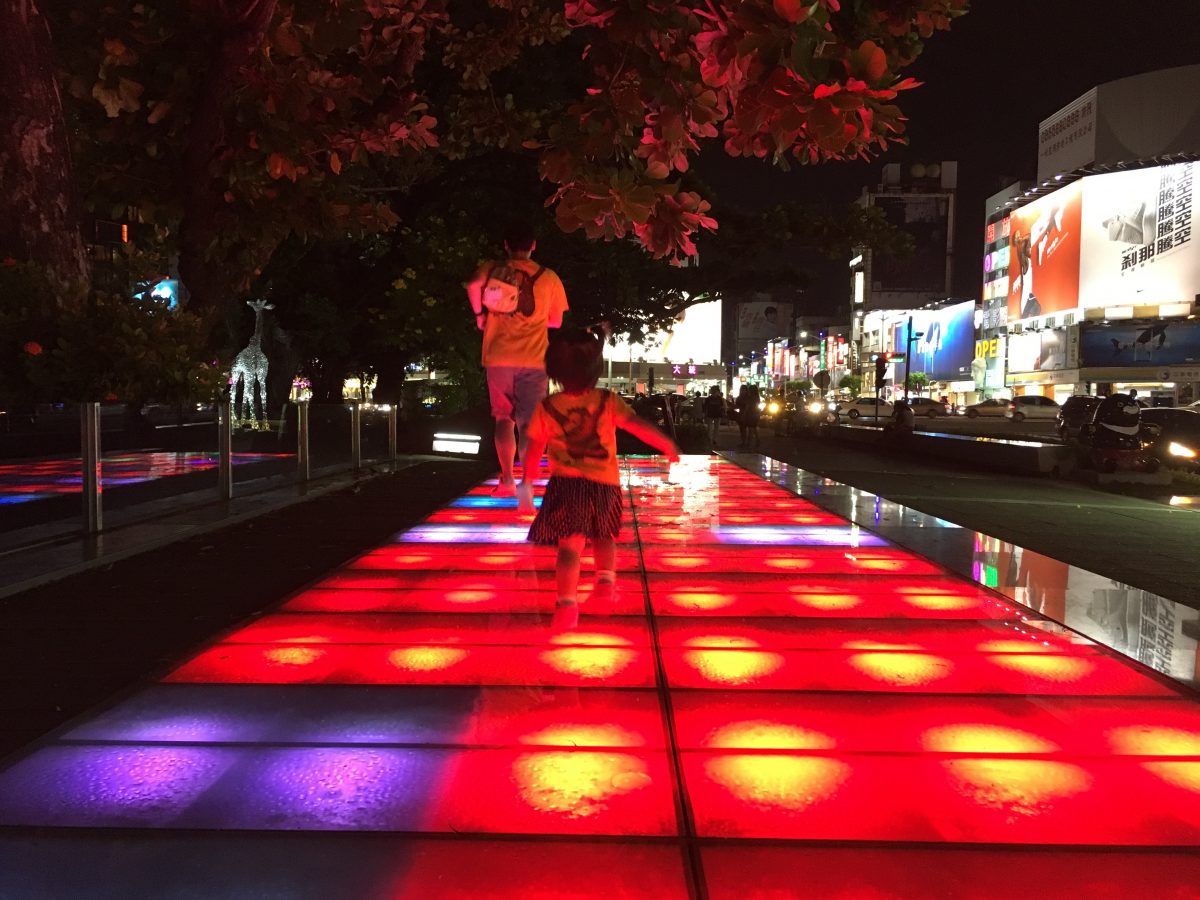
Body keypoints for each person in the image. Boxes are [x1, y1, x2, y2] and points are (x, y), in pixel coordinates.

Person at [518, 328, 679, 630]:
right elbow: (636, 425)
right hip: (605, 485)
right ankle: (605, 582)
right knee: (604, 536)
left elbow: (535, 445)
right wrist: (665, 444)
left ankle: (567, 605)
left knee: (569, 548)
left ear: (554, 370)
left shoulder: (548, 406)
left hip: (566, 485)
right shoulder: (607, 400)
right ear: (596, 369)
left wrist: (527, 479)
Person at [464, 223, 569, 496]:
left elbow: (473, 285)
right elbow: (556, 321)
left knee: (503, 420)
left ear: (506, 245)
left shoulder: (492, 268)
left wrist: (480, 315)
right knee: (529, 425)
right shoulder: (549, 277)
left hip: (499, 357)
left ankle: (508, 480)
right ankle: (527, 483)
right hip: (534, 359)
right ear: (533, 245)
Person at [735, 384, 761, 450]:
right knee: (753, 428)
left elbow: (747, 406)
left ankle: (748, 444)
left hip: (750, 414)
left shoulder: (750, 398)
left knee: (751, 429)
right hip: (755, 414)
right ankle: (755, 441)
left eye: (748, 390)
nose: (747, 391)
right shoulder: (756, 397)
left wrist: (744, 414)